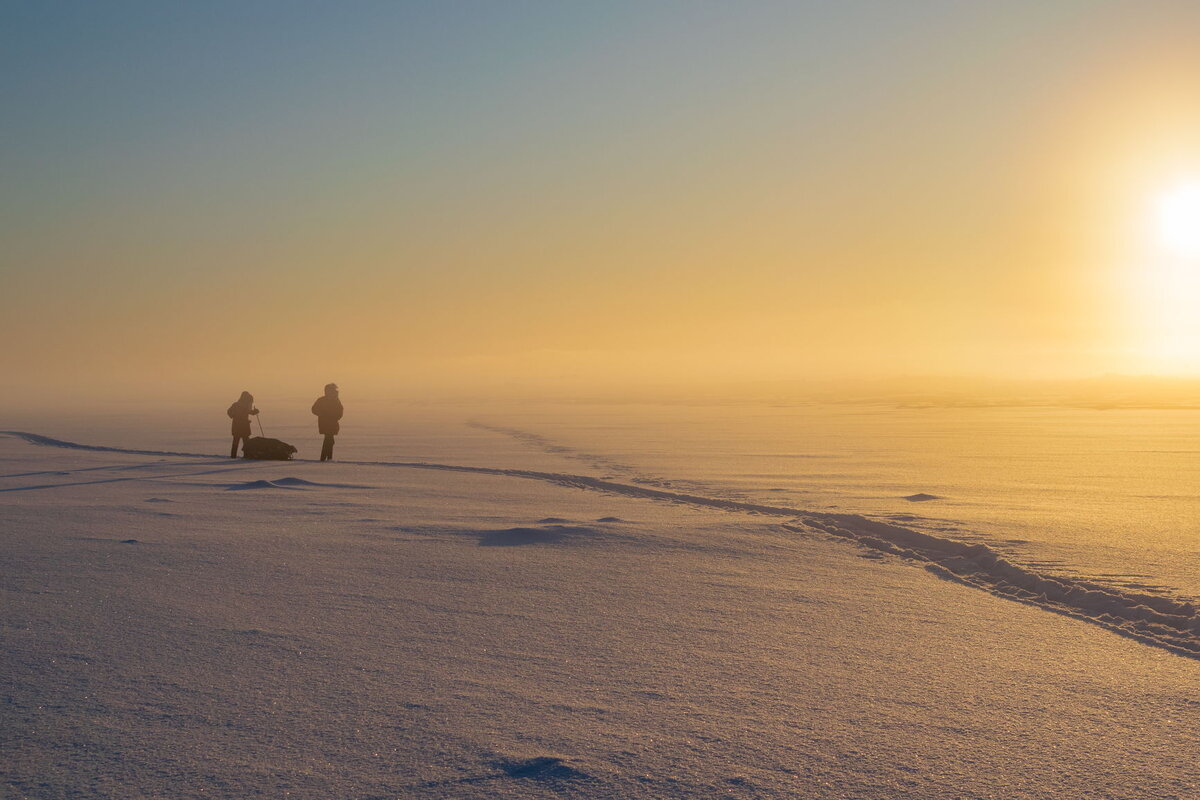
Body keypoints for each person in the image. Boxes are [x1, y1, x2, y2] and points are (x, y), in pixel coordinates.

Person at [312, 383, 343, 461]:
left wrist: (334, 417)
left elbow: (340, 412)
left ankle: (327, 458)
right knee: (329, 440)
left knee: (330, 440)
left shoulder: (336, 401)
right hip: (325, 424)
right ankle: (326, 458)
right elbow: (314, 409)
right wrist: (322, 414)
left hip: (332, 424)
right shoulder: (322, 400)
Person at [227, 391, 259, 458]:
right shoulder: (244, 406)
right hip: (244, 427)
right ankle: (247, 456)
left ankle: (233, 456)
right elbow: (251, 412)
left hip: (236, 427)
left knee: (236, 442)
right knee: (246, 443)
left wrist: (234, 416)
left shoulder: (236, 404)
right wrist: (255, 411)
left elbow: (229, 412)